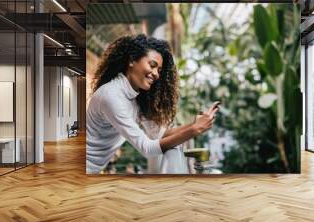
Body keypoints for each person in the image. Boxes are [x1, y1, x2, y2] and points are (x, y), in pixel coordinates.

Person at [86, 34, 219, 174]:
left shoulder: (135, 96)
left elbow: (159, 134)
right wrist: (195, 130)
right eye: (152, 65)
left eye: (159, 70)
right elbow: (147, 148)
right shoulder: (112, 96)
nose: (156, 74)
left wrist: (194, 124)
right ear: (131, 61)